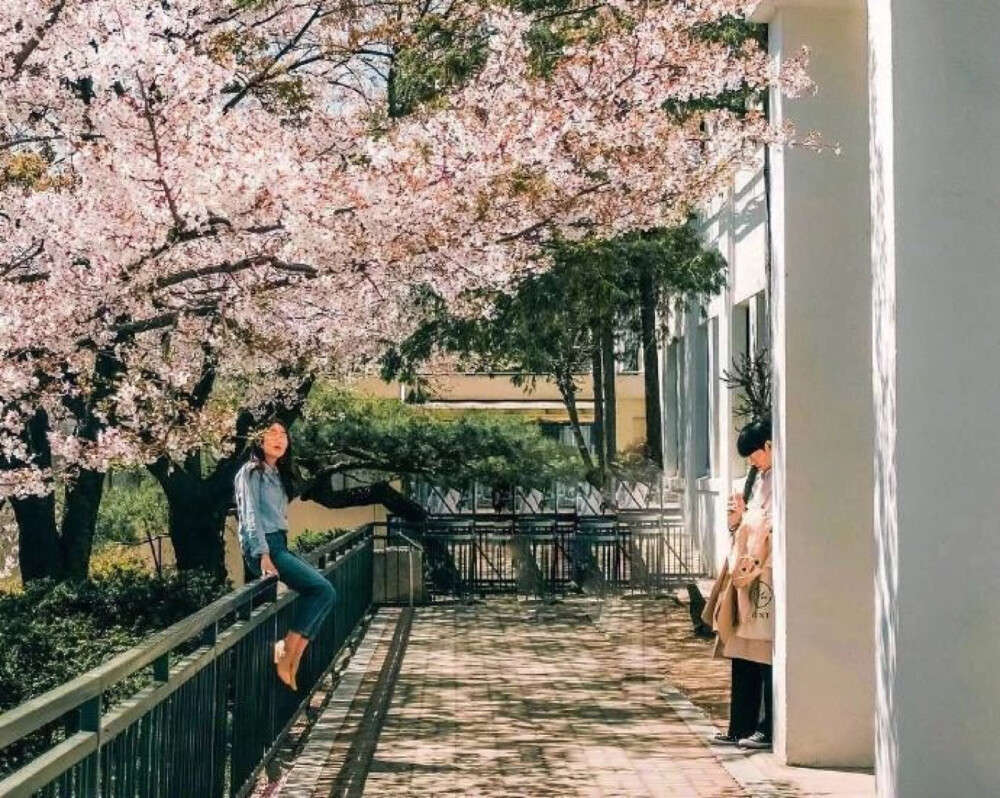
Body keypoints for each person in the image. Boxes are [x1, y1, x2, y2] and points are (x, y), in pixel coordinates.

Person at [234, 420, 337, 691]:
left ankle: (294, 657)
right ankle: (285, 651)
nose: (279, 439)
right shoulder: (250, 472)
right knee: (321, 590)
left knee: (326, 593)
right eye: (272, 433)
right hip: (264, 546)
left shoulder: (277, 474)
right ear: (259, 440)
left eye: (283, 434)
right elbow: (250, 515)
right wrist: (263, 554)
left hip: (279, 543)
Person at [702, 417, 774, 750]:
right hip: (743, 576)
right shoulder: (755, 479)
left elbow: (767, 526)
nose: (752, 463)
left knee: (764, 655)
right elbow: (743, 526)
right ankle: (739, 726)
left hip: (766, 579)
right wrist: (738, 518)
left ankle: (766, 727)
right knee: (741, 653)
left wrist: (747, 519)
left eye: (755, 455)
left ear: (770, 447)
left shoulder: (783, 479)